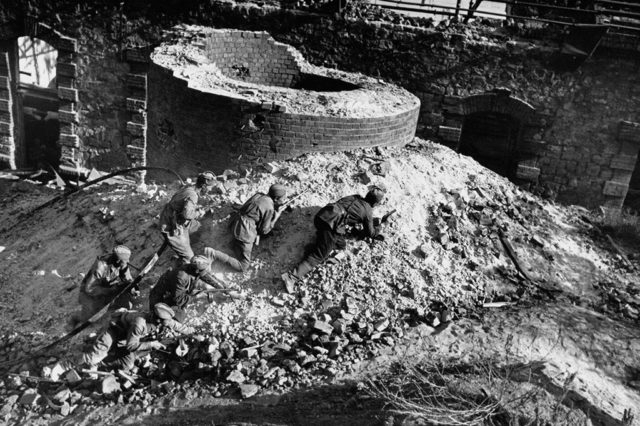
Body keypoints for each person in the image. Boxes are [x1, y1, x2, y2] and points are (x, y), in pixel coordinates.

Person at [281, 185, 387, 293]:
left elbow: (349, 210)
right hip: (331, 226)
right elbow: (371, 233)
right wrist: (379, 226)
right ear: (375, 203)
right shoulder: (368, 211)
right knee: (320, 256)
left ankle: (318, 246)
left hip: (322, 216)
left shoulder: (355, 196)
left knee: (341, 244)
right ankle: (291, 277)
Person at [81, 303, 202, 372]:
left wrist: (193, 332)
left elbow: (176, 325)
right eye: (166, 321)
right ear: (158, 320)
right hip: (118, 335)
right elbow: (130, 345)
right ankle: (102, 361)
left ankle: (95, 342)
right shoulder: (139, 324)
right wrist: (152, 344)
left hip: (131, 336)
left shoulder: (162, 320)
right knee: (127, 365)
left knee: (150, 346)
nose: (169, 322)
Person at [205, 184, 287, 272]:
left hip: (235, 223)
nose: (284, 201)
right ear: (276, 199)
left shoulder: (258, 195)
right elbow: (264, 230)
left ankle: (235, 245)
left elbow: (258, 209)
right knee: (243, 266)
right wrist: (276, 216)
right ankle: (214, 254)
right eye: (283, 199)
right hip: (244, 231)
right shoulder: (269, 208)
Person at [70, 245, 134, 327]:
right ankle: (75, 317)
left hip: (107, 289)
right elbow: (89, 289)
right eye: (125, 261)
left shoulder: (121, 262)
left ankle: (113, 314)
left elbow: (127, 277)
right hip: (90, 295)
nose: (127, 262)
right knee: (90, 319)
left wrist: (133, 288)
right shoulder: (100, 267)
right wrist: (112, 290)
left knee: (127, 303)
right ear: (118, 261)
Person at [159, 172, 215, 264]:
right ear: (204, 185)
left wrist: (196, 208)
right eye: (209, 188)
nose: (210, 190)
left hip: (174, 217)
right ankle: (183, 256)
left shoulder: (189, 188)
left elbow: (181, 205)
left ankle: (188, 245)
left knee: (198, 226)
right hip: (172, 226)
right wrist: (199, 213)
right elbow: (187, 215)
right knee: (190, 259)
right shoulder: (192, 195)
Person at [148, 255, 221, 321]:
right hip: (162, 298)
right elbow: (178, 300)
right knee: (179, 318)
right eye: (203, 271)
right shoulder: (181, 277)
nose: (204, 273)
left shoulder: (192, 268)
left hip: (175, 290)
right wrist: (196, 297)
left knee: (196, 287)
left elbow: (206, 276)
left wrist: (223, 288)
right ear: (197, 270)